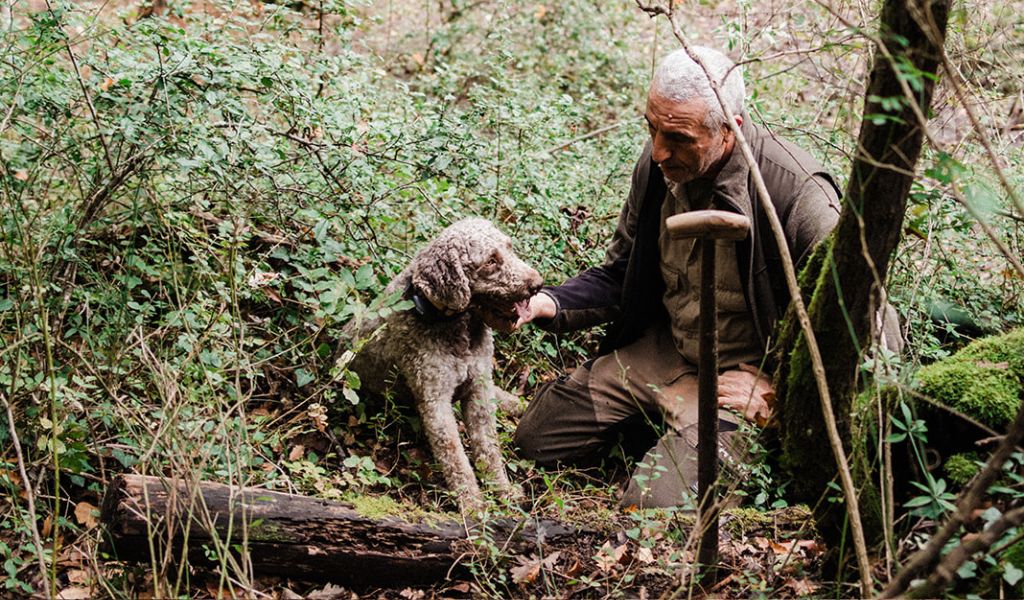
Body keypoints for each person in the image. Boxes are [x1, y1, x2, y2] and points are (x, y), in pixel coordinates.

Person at [512, 47, 846, 508]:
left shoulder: (797, 192)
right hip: (668, 351)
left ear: (730, 129)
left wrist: (779, 394)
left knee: (651, 509)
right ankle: (663, 423)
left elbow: (857, 324)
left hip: (742, 376)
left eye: (678, 137)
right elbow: (621, 273)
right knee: (534, 440)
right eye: (651, 128)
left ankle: (712, 447)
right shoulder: (659, 166)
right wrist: (546, 303)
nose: (658, 150)